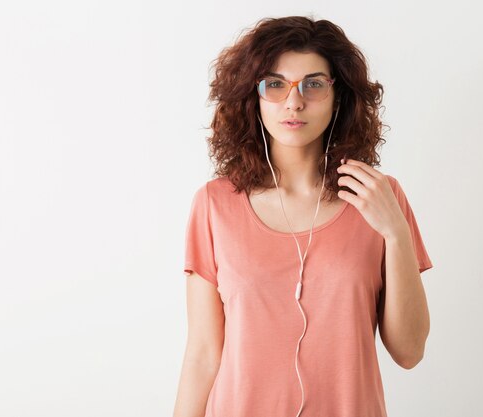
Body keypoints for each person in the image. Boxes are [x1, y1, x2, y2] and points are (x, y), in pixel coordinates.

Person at [173, 15, 433, 417]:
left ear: (338, 96)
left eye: (313, 84)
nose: (294, 101)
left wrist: (396, 234)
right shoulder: (214, 204)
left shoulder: (380, 197)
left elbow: (410, 351)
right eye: (275, 84)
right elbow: (204, 355)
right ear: (252, 97)